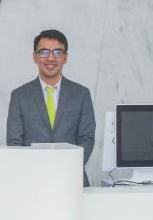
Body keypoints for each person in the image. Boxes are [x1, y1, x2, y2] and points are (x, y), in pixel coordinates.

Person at [6, 29, 96, 186]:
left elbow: (87, 138)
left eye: (57, 52)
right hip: (30, 182)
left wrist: (68, 167)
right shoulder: (19, 96)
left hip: (72, 181)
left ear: (66, 57)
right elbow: (14, 143)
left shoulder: (81, 94)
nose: (51, 58)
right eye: (44, 52)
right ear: (35, 57)